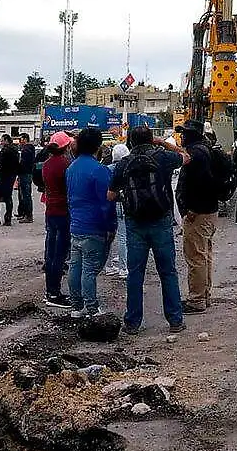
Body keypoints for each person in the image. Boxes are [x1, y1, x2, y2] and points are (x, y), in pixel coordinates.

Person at [108, 126, 188, 334]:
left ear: (131, 143)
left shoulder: (124, 163)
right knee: (168, 271)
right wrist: (161, 143)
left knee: (135, 273)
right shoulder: (163, 157)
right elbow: (186, 157)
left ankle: (133, 322)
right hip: (161, 220)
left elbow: (110, 195)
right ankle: (175, 320)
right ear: (151, 140)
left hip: (135, 223)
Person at [65, 128, 115, 317]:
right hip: (94, 226)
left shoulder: (72, 167)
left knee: (75, 267)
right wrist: (110, 226)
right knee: (90, 270)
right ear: (97, 145)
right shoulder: (99, 170)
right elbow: (106, 202)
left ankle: (76, 307)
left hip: (76, 224)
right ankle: (92, 308)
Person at [176, 120, 219, 315]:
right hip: (208, 211)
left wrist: (191, 208)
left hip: (198, 213)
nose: (181, 136)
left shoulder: (196, 154)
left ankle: (197, 299)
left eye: (184, 133)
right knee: (204, 254)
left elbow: (200, 183)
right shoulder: (205, 149)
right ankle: (204, 294)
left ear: (192, 134)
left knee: (195, 257)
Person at [40, 132, 75, 308]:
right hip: (63, 212)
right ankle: (54, 293)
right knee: (60, 255)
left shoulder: (47, 164)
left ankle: (50, 291)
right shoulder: (66, 165)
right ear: (66, 146)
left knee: (52, 253)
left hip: (51, 211)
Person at [104, 143, 131, 279]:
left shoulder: (107, 169)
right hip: (121, 203)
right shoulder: (127, 168)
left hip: (108, 204)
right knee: (122, 236)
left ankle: (108, 265)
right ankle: (123, 267)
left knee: (109, 235)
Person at [15, 133, 36, 224]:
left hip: (25, 174)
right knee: (23, 195)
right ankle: (24, 213)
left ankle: (28, 216)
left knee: (26, 195)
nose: (20, 141)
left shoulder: (26, 149)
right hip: (26, 173)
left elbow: (24, 163)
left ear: (25, 139)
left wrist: (18, 167)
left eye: (21, 139)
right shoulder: (28, 149)